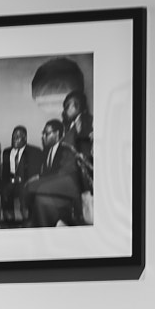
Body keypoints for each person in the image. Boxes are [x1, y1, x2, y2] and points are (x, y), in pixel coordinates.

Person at [23, 117, 83, 227]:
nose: (43, 136)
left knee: (37, 188)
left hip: (64, 189)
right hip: (52, 187)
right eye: (43, 133)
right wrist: (37, 177)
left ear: (57, 134)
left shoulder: (66, 149)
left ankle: (55, 221)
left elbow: (61, 173)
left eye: (47, 133)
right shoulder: (47, 151)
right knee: (30, 186)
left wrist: (40, 179)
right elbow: (48, 172)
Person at [62, 89, 94, 223]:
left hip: (83, 169)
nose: (65, 111)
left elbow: (87, 146)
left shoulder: (87, 122)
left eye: (67, 107)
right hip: (73, 169)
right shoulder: (71, 124)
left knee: (87, 200)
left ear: (77, 106)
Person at [0, 125, 41, 225]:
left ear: (25, 138)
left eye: (17, 137)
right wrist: (5, 183)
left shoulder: (34, 151)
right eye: (13, 137)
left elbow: (35, 172)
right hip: (10, 182)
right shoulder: (6, 152)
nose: (14, 140)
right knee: (4, 190)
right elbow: (4, 173)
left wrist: (22, 180)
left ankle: (27, 220)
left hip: (25, 182)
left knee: (24, 191)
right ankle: (9, 221)